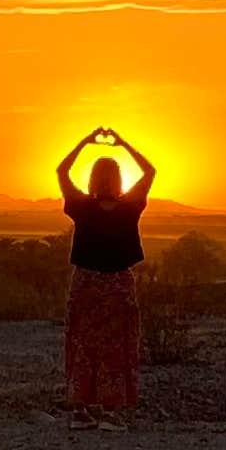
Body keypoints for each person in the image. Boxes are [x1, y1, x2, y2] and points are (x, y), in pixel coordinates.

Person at [56, 124, 156, 414]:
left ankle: (82, 406)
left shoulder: (81, 206)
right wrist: (123, 143)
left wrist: (84, 142)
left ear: (92, 179)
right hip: (118, 285)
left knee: (84, 343)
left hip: (87, 283)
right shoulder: (130, 206)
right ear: (119, 179)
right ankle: (111, 407)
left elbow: (62, 172)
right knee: (115, 346)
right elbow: (149, 172)